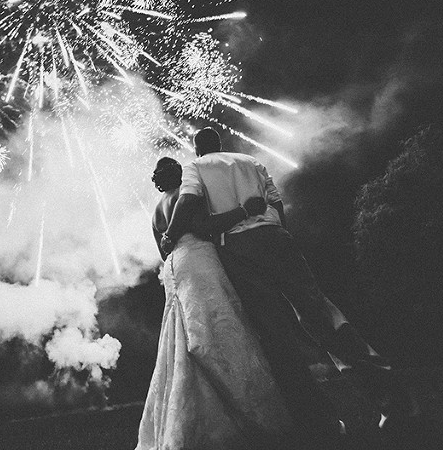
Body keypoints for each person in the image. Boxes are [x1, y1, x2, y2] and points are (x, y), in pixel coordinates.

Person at [162, 127, 390, 446]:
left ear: (197, 149)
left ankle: (319, 422)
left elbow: (187, 200)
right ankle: (389, 397)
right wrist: (279, 233)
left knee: (275, 334)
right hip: (277, 238)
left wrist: (170, 235)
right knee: (321, 314)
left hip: (239, 249)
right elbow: (277, 204)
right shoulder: (251, 161)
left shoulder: (196, 167)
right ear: (221, 144)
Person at [136, 157, 293, 450]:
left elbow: (164, 252)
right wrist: (244, 211)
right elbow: (203, 228)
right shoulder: (186, 197)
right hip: (199, 260)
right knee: (216, 324)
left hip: (174, 267)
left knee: (181, 332)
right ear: (178, 174)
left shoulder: (156, 212)